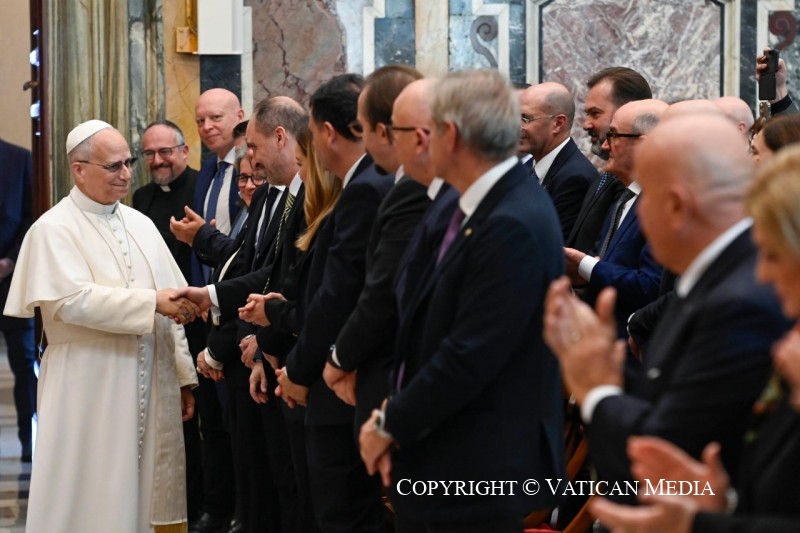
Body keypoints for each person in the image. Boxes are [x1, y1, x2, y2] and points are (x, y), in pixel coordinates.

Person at [543, 113, 791, 505]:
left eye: (644, 197)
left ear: (675, 205)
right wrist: (611, 365)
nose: (638, 214)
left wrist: (596, 387)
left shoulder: (740, 303)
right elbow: (666, 394)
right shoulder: (718, 273)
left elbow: (665, 460)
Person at [359, 69, 566, 532]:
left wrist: (390, 424)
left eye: (429, 131)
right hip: (446, 447)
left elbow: (469, 353)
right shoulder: (477, 202)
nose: (420, 142)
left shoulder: (510, 220)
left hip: (477, 464)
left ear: (450, 135)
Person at [588, 143, 800, 533]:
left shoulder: (746, 305)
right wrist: (723, 505)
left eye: (772, 255)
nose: (764, 275)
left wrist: (596, 386)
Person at [3, 119, 199, 532]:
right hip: (86, 384)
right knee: (90, 489)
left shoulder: (141, 224)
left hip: (151, 381)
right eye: (113, 166)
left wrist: (182, 377)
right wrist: (151, 302)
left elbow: (173, 305)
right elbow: (72, 302)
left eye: (129, 163)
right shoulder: (52, 229)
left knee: (145, 491)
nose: (126, 174)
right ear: (79, 169)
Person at [278, 73, 393, 532]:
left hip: (343, 384)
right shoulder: (368, 182)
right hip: (345, 377)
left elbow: (341, 297)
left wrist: (299, 370)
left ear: (327, 132)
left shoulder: (366, 187)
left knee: (343, 517)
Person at [323, 64, 430, 432]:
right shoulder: (406, 185)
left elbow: (382, 290)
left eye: (362, 129)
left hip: (394, 377)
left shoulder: (413, 189)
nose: (363, 144)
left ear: (384, 132)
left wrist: (339, 359)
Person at [132, 119, 205, 522]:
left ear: (183, 151)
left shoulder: (200, 188)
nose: (158, 160)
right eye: (149, 153)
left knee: (206, 420)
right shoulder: (140, 199)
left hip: (199, 316)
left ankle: (203, 506)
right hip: (158, 320)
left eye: (165, 152)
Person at [564, 99, 665, 340]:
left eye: (613, 135)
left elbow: (651, 286)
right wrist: (582, 278)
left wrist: (586, 265)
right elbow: (614, 265)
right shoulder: (623, 197)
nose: (604, 145)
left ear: (643, 144)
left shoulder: (662, 204)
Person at [566, 67, 652, 254]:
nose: (586, 124)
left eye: (595, 113)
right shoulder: (605, 179)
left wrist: (586, 266)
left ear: (627, 110)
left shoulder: (650, 195)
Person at [518, 82, 597, 238]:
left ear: (558, 123)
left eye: (525, 118)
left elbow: (549, 244)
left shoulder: (575, 179)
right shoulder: (527, 167)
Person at [0, 137, 37, 463]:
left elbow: (31, 218)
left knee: (25, 366)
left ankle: (30, 441)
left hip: (12, 283)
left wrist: (9, 261)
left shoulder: (19, 158)